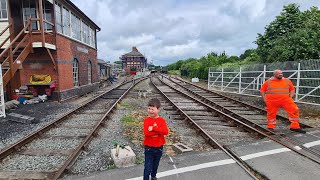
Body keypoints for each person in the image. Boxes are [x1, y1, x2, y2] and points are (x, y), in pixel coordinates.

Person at [143, 98, 169, 180]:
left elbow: (165, 132)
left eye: (152, 109)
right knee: (147, 166)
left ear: (158, 109)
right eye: (149, 108)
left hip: (159, 147)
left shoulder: (162, 120)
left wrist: (154, 128)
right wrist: (159, 131)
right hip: (149, 148)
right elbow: (146, 133)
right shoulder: (146, 120)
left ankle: (153, 176)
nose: (150, 111)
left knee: (155, 164)